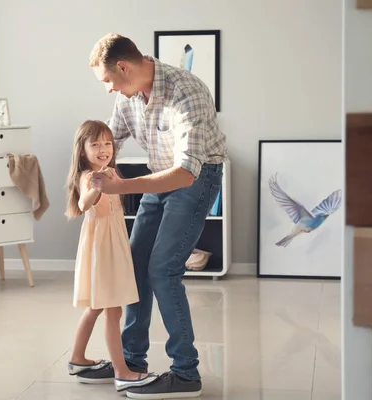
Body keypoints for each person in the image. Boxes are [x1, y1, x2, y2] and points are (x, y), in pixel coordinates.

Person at [76, 33, 228, 399]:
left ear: (124, 68)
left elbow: (186, 173)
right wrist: (87, 171)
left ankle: (186, 372)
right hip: (159, 177)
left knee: (162, 269)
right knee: (134, 264)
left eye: (108, 81)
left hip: (195, 177)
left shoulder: (185, 92)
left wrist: (118, 188)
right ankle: (130, 365)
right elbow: (109, 143)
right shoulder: (129, 99)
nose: (109, 91)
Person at [65, 120, 159, 393]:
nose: (103, 149)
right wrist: (99, 186)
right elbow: (84, 204)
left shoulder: (110, 172)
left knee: (98, 308)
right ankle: (121, 371)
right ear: (83, 151)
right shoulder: (89, 177)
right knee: (111, 310)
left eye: (107, 143)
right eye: (95, 144)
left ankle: (77, 358)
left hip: (112, 247)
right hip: (102, 252)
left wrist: (112, 181)